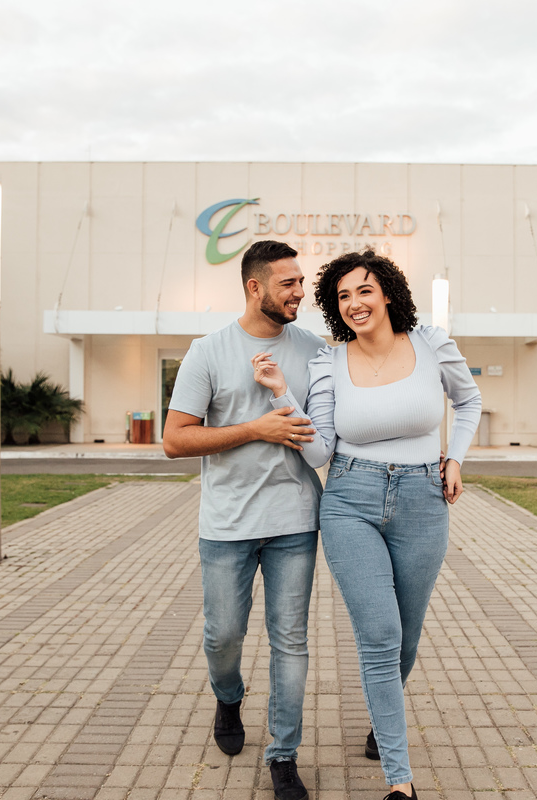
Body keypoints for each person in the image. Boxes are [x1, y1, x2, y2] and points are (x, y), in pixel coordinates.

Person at [250, 250, 481, 800]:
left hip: (424, 500)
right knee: (380, 636)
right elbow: (319, 451)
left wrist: (455, 459)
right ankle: (400, 782)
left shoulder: (431, 343)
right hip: (351, 501)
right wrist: (282, 392)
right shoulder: (330, 362)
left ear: (388, 294)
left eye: (364, 290)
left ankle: (384, 718)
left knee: (406, 636)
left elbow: (468, 401)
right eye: (343, 296)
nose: (354, 303)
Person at [164, 240, 325, 800]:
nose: (300, 292)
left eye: (300, 282)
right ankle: (228, 698)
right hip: (227, 524)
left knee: (291, 641)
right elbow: (175, 440)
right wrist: (257, 429)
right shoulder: (207, 351)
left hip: (295, 519)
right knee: (223, 635)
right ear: (255, 287)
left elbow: (328, 434)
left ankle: (283, 754)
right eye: (288, 283)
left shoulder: (315, 351)